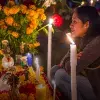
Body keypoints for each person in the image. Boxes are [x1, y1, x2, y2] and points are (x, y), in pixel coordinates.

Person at [50, 6, 100, 100]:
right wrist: (70, 59)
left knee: (60, 75)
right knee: (54, 69)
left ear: (86, 24)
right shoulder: (79, 37)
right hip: (84, 78)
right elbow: (63, 62)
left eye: (75, 21)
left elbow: (72, 68)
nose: (70, 25)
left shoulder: (97, 42)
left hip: (95, 88)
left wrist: (69, 61)